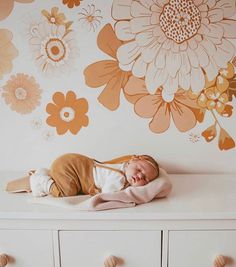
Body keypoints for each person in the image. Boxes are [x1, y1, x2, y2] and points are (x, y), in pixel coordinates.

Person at [6, 153, 159, 197]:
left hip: (74, 164)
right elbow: (107, 195)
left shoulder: (123, 165)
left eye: (145, 178)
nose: (140, 176)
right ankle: (39, 179)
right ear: (131, 161)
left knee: (72, 187)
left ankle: (48, 173)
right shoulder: (119, 177)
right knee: (65, 192)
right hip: (72, 167)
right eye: (139, 170)